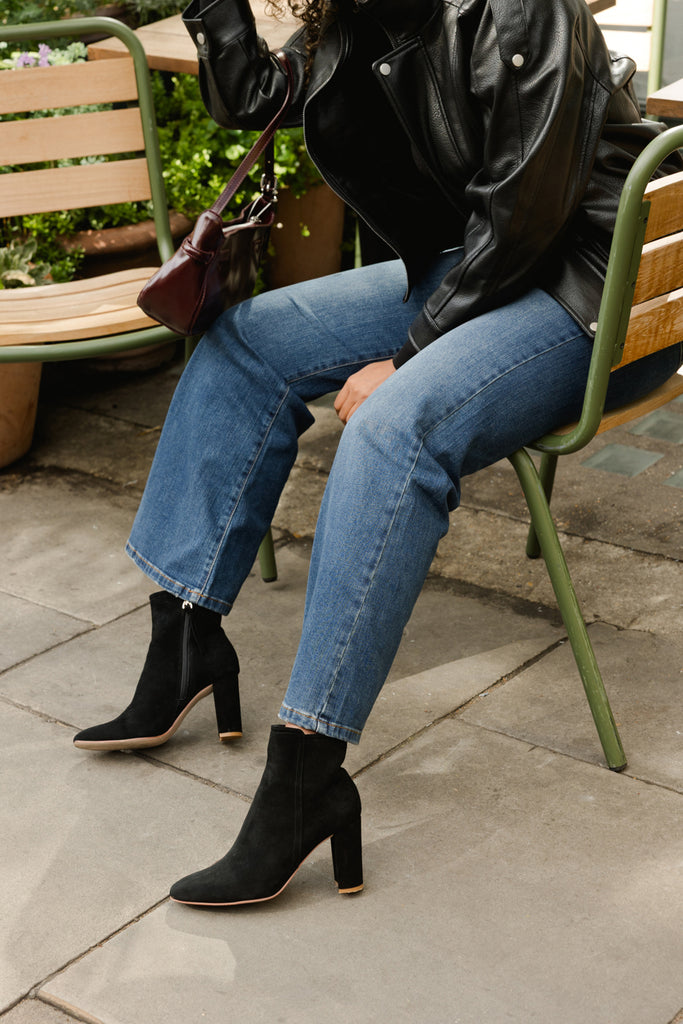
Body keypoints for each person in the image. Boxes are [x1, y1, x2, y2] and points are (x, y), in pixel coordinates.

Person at [73, 0, 682, 907]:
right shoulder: (362, 10)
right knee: (243, 339)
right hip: (475, 267)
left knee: (395, 426)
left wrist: (404, 359)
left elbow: (527, 215)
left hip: (583, 286)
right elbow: (253, 101)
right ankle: (186, 642)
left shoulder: (520, 9)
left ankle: (308, 771)